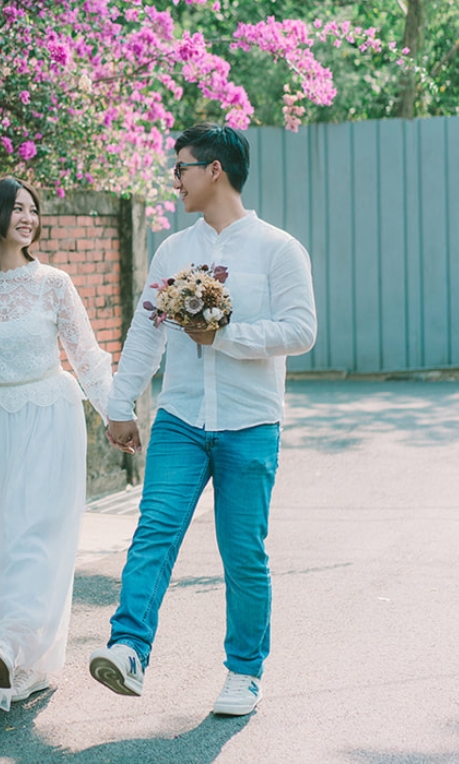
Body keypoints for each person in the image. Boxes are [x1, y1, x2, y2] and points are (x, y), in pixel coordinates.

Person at [89, 123, 316, 716]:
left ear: (214, 169)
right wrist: (120, 406)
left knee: (242, 552)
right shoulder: (172, 251)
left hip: (250, 423)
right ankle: (129, 648)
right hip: (180, 420)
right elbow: (146, 332)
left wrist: (224, 335)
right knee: (154, 533)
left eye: (182, 167)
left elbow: (301, 330)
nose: (175, 179)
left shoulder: (278, 249)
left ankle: (244, 672)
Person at [0, 175, 114, 711]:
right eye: (17, 208)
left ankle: (10, 642)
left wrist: (117, 415)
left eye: (32, 209)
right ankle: (20, 664)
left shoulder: (53, 283)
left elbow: (85, 355)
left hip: (48, 416)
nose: (28, 217)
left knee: (36, 535)